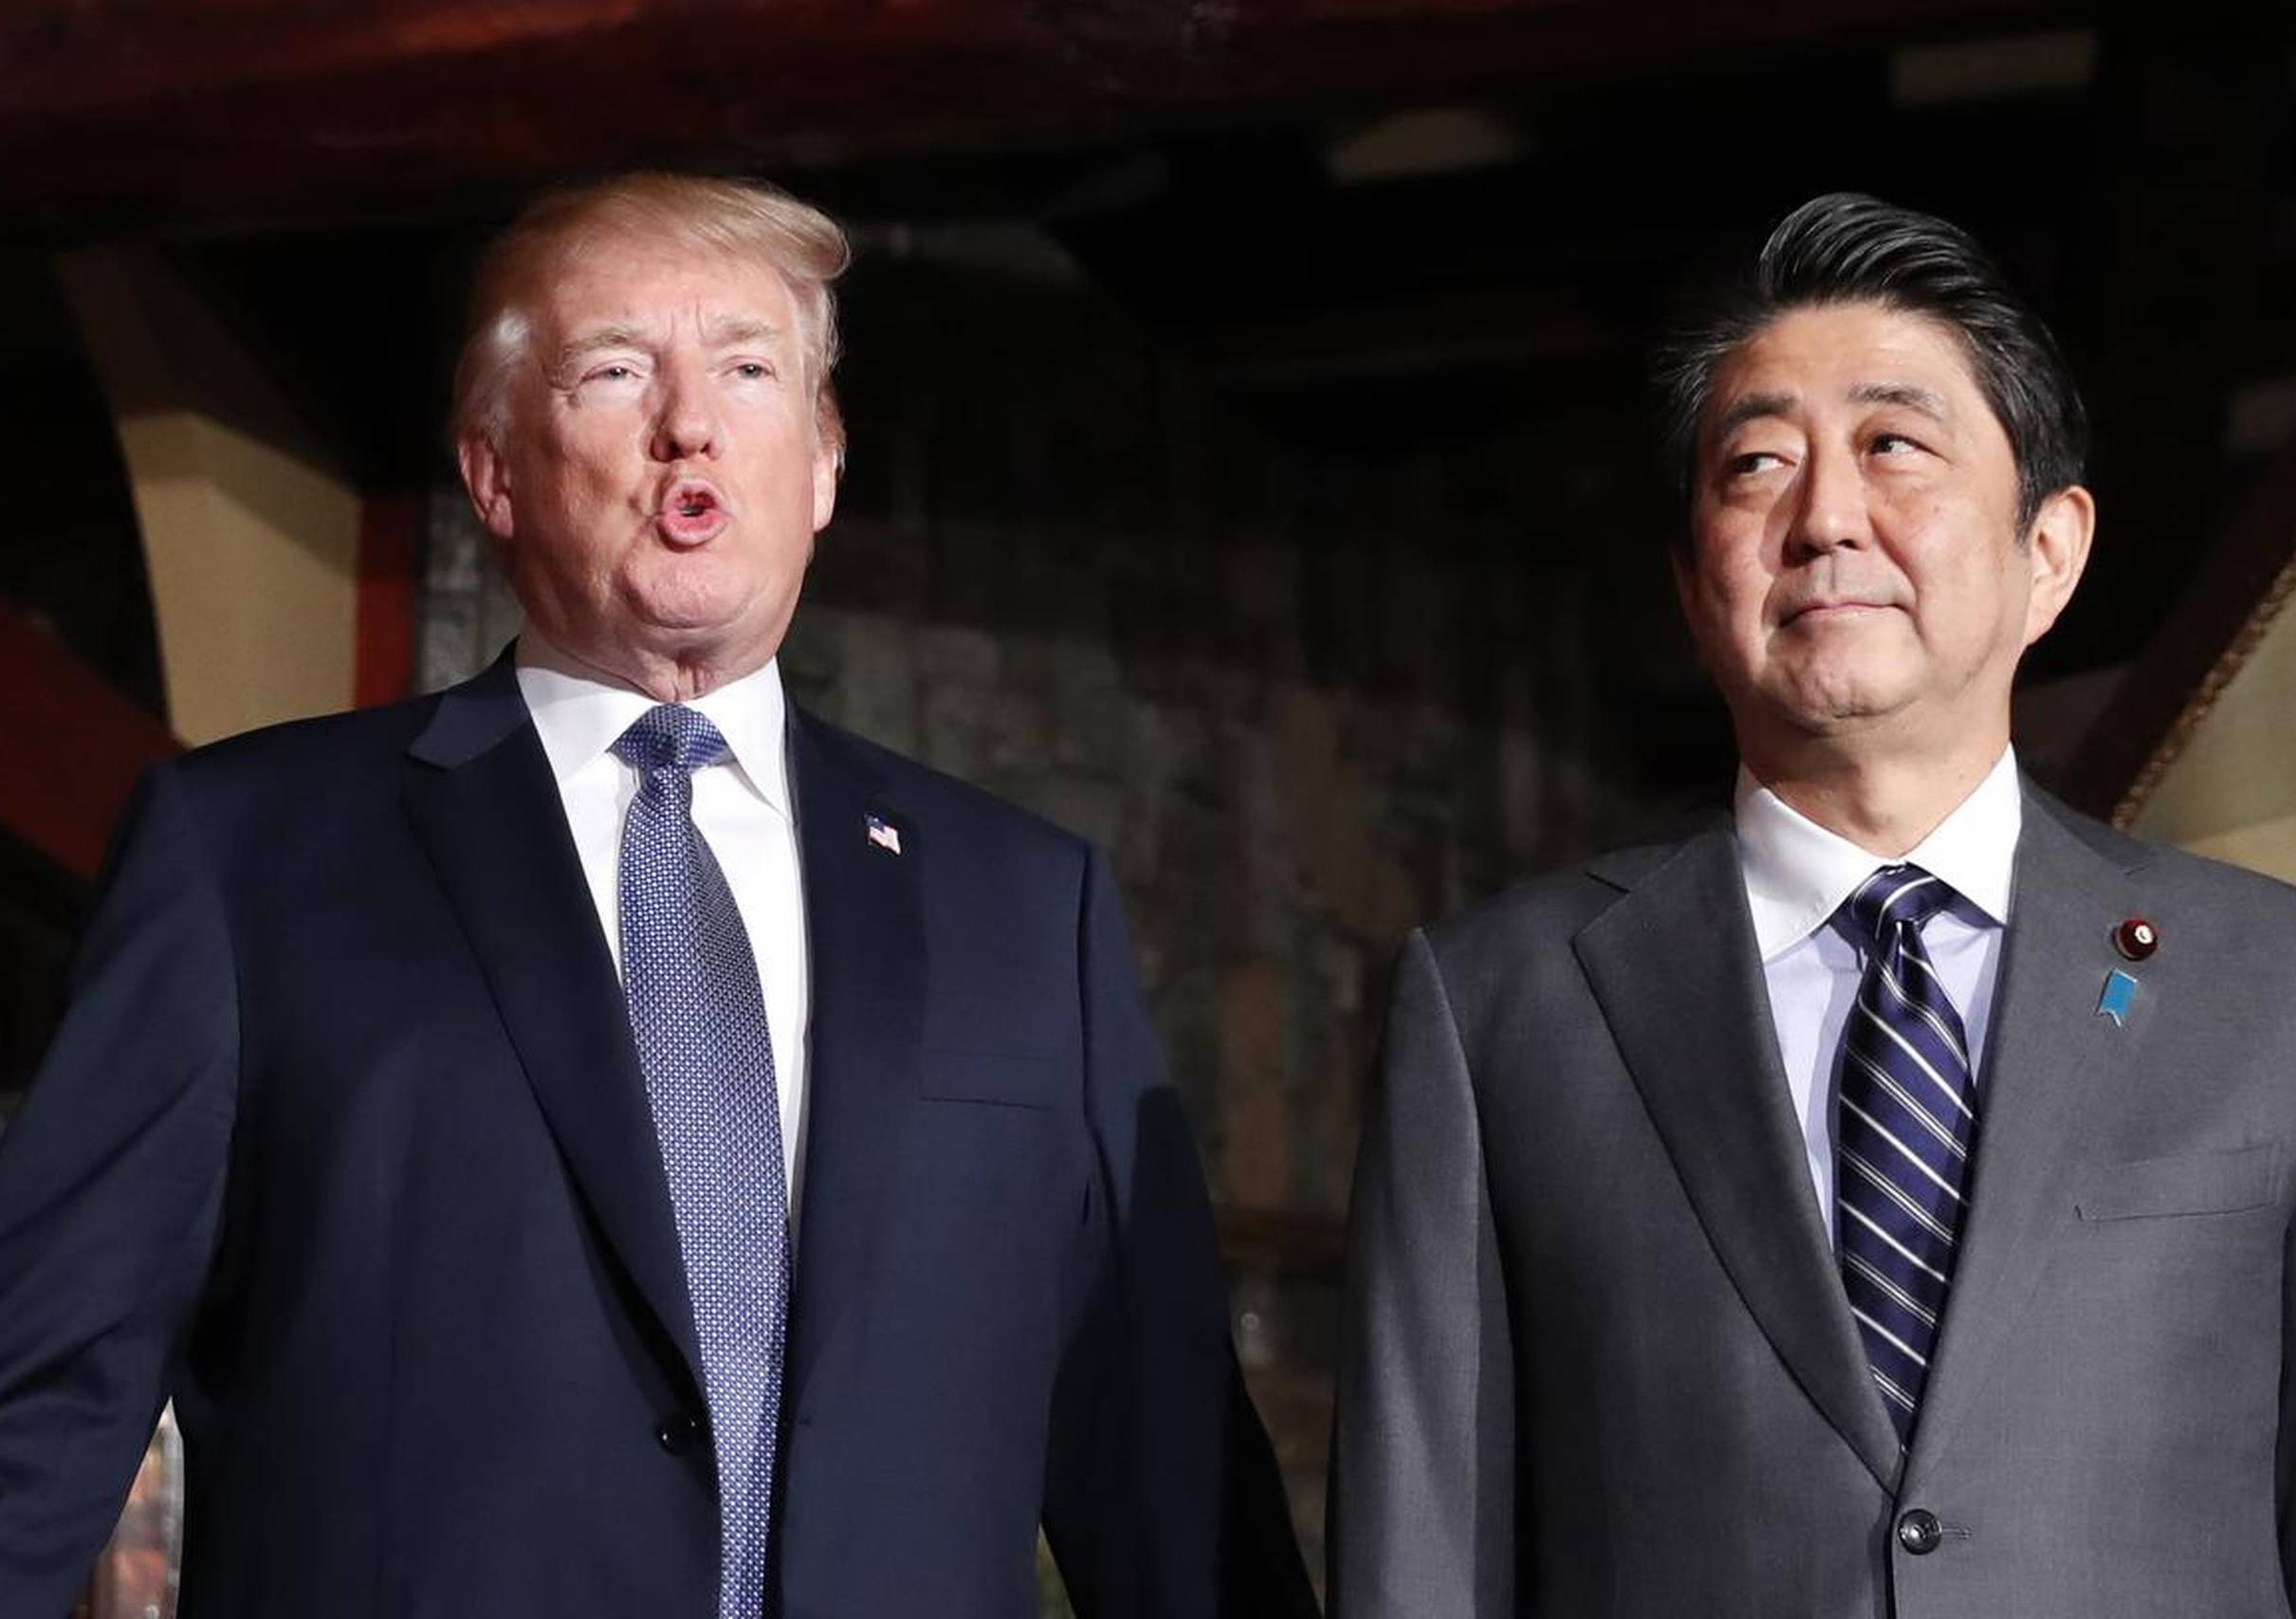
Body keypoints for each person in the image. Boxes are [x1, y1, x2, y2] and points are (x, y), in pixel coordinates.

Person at [0, 173, 1313, 1619]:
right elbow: (49, 1381)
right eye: (616, 369)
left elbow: (1167, 1463)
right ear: (495, 469)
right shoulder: (244, 854)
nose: (691, 421)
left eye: (750, 371)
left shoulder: (1026, 903)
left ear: (820, 467)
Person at [1329, 192, 2296, 1616]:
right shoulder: (1500, 1007)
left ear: (2050, 551)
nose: (1824, 518)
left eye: (1895, 447)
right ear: (1692, 585)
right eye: (1756, 467)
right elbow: (1421, 1551)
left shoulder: (2286, 984)